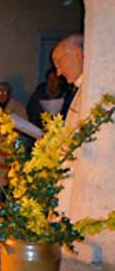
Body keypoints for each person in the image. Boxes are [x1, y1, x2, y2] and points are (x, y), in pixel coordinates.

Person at [51, 33, 84, 214]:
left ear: (77, 53)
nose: (58, 72)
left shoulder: (92, 90)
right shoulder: (80, 90)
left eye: (59, 63)